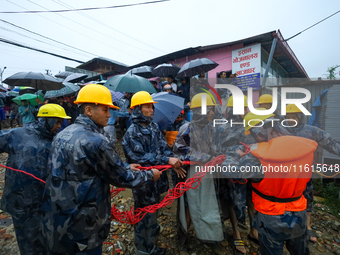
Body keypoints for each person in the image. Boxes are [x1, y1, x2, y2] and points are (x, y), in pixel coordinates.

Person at [41, 85, 161, 255]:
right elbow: (123, 178)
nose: (109, 115)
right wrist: (150, 174)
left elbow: (84, 166)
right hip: (84, 222)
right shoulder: (96, 140)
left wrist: (126, 165)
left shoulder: (63, 133)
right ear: (89, 110)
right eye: (105, 109)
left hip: (56, 215)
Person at [221, 111, 318, 255]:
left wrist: (235, 154)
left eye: (253, 134)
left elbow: (229, 170)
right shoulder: (304, 149)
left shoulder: (258, 159)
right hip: (298, 213)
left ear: (262, 131)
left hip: (270, 216)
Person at [0, 104, 71, 255]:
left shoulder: (56, 141)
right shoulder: (17, 134)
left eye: (60, 122)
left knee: (46, 239)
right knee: (28, 242)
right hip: (20, 201)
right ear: (47, 120)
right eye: (57, 122)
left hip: (45, 202)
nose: (59, 126)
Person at [122, 91, 185, 255]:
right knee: (144, 212)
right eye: (148, 106)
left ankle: (150, 235)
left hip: (157, 179)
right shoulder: (132, 132)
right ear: (137, 109)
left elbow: (164, 148)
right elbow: (140, 158)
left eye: (152, 106)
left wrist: (172, 160)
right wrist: (165, 160)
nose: (152, 110)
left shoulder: (154, 127)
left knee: (153, 210)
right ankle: (144, 249)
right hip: (143, 181)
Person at [173, 93, 226, 255]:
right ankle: (182, 241)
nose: (212, 113)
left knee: (208, 205)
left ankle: (209, 237)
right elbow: (179, 151)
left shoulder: (209, 128)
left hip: (207, 174)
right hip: (190, 175)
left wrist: (219, 157)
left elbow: (213, 148)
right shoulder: (186, 128)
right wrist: (207, 158)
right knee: (187, 208)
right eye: (210, 110)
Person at [285, 104, 340, 243]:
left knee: (307, 197)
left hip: (305, 174)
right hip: (285, 174)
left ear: (300, 116)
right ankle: (287, 223)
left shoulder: (311, 131)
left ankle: (308, 225)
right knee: (286, 197)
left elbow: (330, 142)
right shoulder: (280, 130)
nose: (291, 119)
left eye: (294, 116)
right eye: (288, 117)